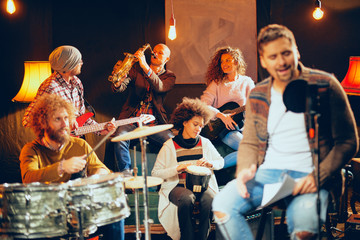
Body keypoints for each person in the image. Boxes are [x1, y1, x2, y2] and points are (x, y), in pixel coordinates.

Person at [212, 24, 359, 240]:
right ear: (263, 60)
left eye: (286, 53)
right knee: (223, 205)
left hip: (314, 173)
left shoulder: (326, 84)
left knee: (303, 230)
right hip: (273, 173)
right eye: (272, 56)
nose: (280, 61)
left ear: (296, 51)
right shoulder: (260, 94)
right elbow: (251, 142)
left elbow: (348, 141)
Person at [19, 94, 124, 240]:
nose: (65, 124)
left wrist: (99, 174)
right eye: (58, 119)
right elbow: (29, 179)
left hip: (79, 215)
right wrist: (61, 167)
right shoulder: (31, 150)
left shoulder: (80, 145)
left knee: (115, 214)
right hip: (47, 218)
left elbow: (102, 169)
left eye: (66, 118)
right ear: (43, 123)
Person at [152, 97, 224, 240]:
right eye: (195, 124)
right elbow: (156, 173)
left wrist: (210, 163)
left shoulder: (205, 143)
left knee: (209, 200)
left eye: (201, 126)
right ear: (184, 122)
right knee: (186, 198)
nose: (198, 129)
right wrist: (177, 169)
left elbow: (220, 162)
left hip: (202, 187)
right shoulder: (169, 145)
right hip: (177, 187)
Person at [111, 43, 176, 176]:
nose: (155, 54)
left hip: (154, 123)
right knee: (120, 137)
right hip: (131, 120)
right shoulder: (136, 69)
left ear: (167, 59)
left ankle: (167, 174)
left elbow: (160, 87)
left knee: (172, 142)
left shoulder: (169, 76)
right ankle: (126, 174)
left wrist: (145, 67)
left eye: (160, 53)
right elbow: (121, 86)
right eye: (154, 51)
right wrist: (118, 83)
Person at [22, 45, 115, 136]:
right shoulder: (50, 87)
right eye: (78, 60)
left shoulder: (77, 82)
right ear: (69, 64)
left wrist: (100, 129)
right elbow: (28, 120)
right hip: (57, 143)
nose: (82, 63)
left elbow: (80, 116)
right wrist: (63, 121)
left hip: (75, 140)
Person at [200, 46, 255, 167]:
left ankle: (212, 166)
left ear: (236, 62)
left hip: (241, 126)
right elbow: (203, 104)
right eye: (221, 62)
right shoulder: (217, 83)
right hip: (222, 128)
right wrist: (221, 115)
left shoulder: (247, 82)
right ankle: (214, 166)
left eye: (227, 60)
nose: (224, 64)